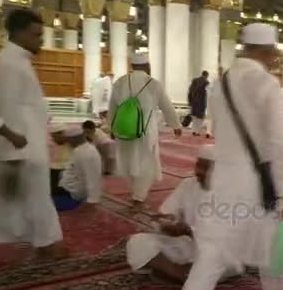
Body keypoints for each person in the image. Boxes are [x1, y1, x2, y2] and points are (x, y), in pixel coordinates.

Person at [176, 23, 283, 290]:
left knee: (210, 256)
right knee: (280, 242)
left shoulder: (221, 84)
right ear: (267, 49)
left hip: (224, 178)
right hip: (260, 183)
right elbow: (276, 142)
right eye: (274, 51)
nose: (275, 56)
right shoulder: (266, 83)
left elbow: (218, 128)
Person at [0, 9, 66, 258]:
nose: (40, 40)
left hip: (28, 144)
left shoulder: (17, 60)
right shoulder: (9, 62)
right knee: (35, 198)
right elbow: (3, 106)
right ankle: (47, 245)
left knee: (28, 199)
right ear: (19, 32)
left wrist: (53, 129)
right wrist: (11, 142)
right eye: (36, 35)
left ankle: (44, 243)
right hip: (21, 146)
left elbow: (31, 104)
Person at [126, 145, 240, 282]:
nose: (198, 171)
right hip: (187, 245)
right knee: (137, 242)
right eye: (198, 165)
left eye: (206, 168)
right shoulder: (188, 184)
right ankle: (181, 274)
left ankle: (181, 273)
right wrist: (165, 221)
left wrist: (189, 230)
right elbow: (168, 212)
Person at [108, 53, 181, 208]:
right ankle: (139, 196)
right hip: (145, 132)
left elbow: (112, 108)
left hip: (123, 129)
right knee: (145, 164)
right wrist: (176, 125)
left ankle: (135, 191)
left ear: (132, 65)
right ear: (147, 65)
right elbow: (167, 107)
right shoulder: (153, 84)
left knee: (129, 160)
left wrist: (112, 128)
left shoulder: (120, 82)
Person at [54, 127, 102, 206]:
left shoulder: (87, 153)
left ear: (73, 139)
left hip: (71, 194)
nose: (67, 142)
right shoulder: (80, 150)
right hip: (67, 189)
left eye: (68, 140)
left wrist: (92, 200)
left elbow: (93, 178)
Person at [183, 71, 210, 136]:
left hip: (194, 102)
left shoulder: (194, 80)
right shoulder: (207, 83)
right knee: (200, 118)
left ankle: (194, 131)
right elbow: (208, 94)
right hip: (202, 103)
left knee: (194, 117)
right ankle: (197, 132)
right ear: (206, 75)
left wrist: (189, 101)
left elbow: (189, 91)